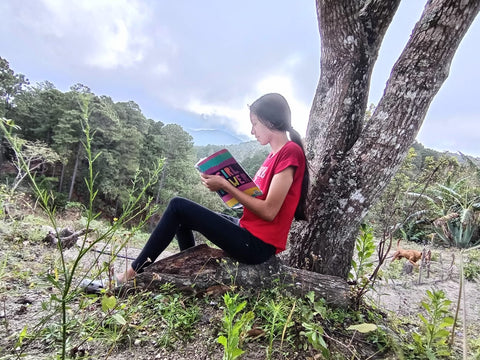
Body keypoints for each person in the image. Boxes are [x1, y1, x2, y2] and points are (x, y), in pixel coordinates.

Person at [117, 93, 309, 283]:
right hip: (247, 227)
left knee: (177, 206)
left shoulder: (290, 152)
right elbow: (257, 199)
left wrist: (225, 184)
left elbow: (269, 211)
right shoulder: (272, 156)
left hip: (257, 244)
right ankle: (189, 271)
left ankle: (131, 275)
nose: (252, 131)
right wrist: (226, 188)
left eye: (255, 123)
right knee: (183, 218)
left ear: (270, 122)